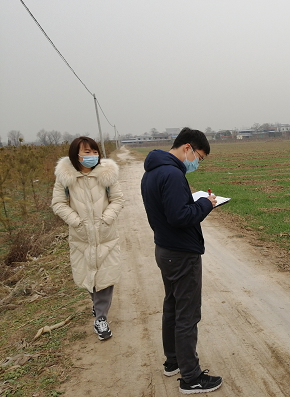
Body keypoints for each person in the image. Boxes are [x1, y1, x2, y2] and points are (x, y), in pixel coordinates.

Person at [141, 127, 222, 395]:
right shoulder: (173, 174)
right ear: (188, 148)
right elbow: (179, 217)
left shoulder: (153, 171)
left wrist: (194, 202)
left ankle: (173, 361)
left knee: (172, 307)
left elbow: (168, 211)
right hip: (181, 253)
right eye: (199, 157)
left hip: (165, 249)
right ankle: (191, 377)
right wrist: (206, 204)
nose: (197, 162)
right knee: (187, 314)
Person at [51, 136, 124, 341]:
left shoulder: (107, 174)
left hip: (106, 236)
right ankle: (97, 305)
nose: (92, 155)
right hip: (81, 237)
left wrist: (105, 219)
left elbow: (118, 199)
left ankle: (101, 318)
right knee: (89, 276)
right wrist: (77, 222)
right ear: (76, 154)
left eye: (94, 151)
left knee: (105, 278)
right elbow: (58, 204)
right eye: (87, 152)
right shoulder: (66, 177)